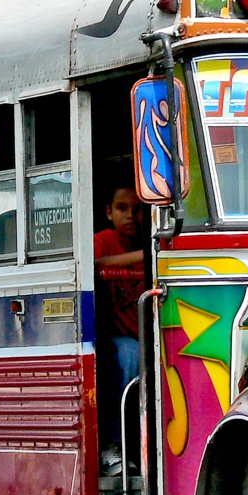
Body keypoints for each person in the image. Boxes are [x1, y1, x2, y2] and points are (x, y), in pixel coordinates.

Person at [95, 186, 148, 454]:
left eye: (138, 209)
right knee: (128, 355)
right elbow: (95, 261)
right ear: (108, 212)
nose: (131, 216)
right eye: (122, 208)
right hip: (111, 335)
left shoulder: (152, 239)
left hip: (149, 333)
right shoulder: (103, 240)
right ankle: (114, 444)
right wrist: (148, 255)